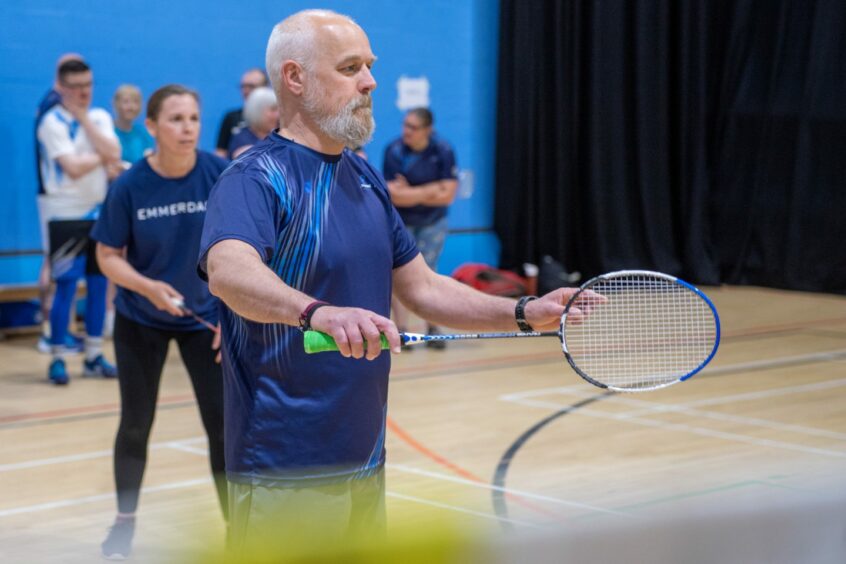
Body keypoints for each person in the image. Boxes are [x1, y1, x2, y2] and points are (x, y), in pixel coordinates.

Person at [198, 9, 589, 556]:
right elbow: (229, 271)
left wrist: (524, 312)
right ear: (294, 78)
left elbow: (423, 288)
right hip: (285, 469)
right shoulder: (254, 177)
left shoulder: (362, 175)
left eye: (370, 66)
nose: (370, 82)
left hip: (365, 458)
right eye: (351, 67)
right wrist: (318, 313)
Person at [92, 84, 228, 560]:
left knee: (222, 425)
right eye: (175, 119)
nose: (187, 128)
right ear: (151, 127)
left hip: (206, 320)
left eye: (193, 118)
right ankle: (123, 526)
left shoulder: (219, 173)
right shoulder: (130, 186)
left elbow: (245, 253)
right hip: (141, 319)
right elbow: (107, 256)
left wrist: (232, 317)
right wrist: (147, 287)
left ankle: (239, 530)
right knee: (135, 423)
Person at [37, 58, 121, 384]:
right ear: (60, 88)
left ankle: (93, 355)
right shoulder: (50, 122)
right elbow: (71, 167)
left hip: (98, 212)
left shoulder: (98, 116)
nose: (83, 92)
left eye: (87, 85)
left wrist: (85, 119)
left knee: (100, 287)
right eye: (75, 87)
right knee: (67, 287)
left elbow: (113, 150)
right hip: (65, 214)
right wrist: (103, 156)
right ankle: (58, 355)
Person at [383, 108, 459, 348]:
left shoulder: (443, 150)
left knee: (430, 273)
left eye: (413, 127)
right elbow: (393, 195)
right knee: (396, 274)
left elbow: (448, 195)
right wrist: (431, 189)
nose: (407, 131)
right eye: (405, 125)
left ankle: (432, 327)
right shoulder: (394, 150)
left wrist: (411, 192)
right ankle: (402, 329)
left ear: (428, 130)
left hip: (433, 221)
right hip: (401, 222)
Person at [35, 53, 87, 355]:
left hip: (69, 201)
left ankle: (60, 331)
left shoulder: (61, 104)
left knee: (58, 268)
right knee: (54, 266)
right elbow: (71, 165)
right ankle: (48, 331)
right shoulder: (54, 107)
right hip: (56, 201)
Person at [214, 67, 268, 158]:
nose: (245, 91)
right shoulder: (231, 117)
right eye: (243, 86)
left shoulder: (277, 118)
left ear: (266, 88)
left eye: (251, 86)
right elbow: (220, 154)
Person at [226, 86, 278, 159]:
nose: (278, 114)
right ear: (257, 111)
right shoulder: (241, 139)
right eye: (273, 110)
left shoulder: (280, 135)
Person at [112, 84, 154, 166]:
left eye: (135, 102)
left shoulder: (143, 133)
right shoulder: (108, 132)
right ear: (116, 104)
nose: (131, 107)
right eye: (126, 102)